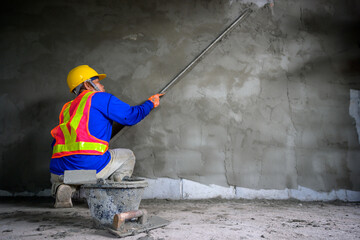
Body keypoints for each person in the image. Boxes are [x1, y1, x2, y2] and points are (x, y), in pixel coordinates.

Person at [50, 65, 163, 208]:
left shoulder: (67, 107)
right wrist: (150, 103)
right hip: (91, 169)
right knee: (128, 156)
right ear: (87, 84)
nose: (102, 85)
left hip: (58, 172)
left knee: (75, 172)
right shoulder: (100, 98)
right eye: (98, 81)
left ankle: (65, 188)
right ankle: (115, 198)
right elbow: (131, 116)